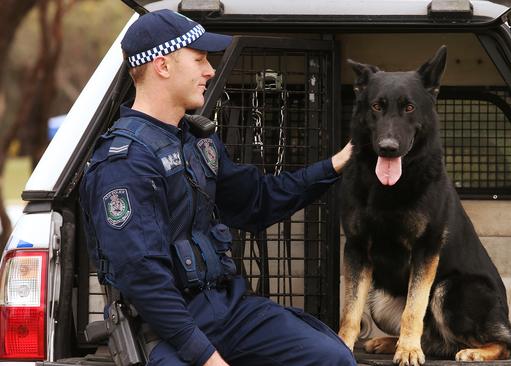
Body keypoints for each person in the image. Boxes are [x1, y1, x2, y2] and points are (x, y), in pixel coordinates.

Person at [79, 9, 354, 366]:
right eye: (199, 59)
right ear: (162, 66)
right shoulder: (124, 163)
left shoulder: (197, 143)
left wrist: (335, 165)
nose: (209, 71)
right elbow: (144, 279)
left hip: (228, 309)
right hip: (167, 328)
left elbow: (257, 201)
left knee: (333, 358)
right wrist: (207, 358)